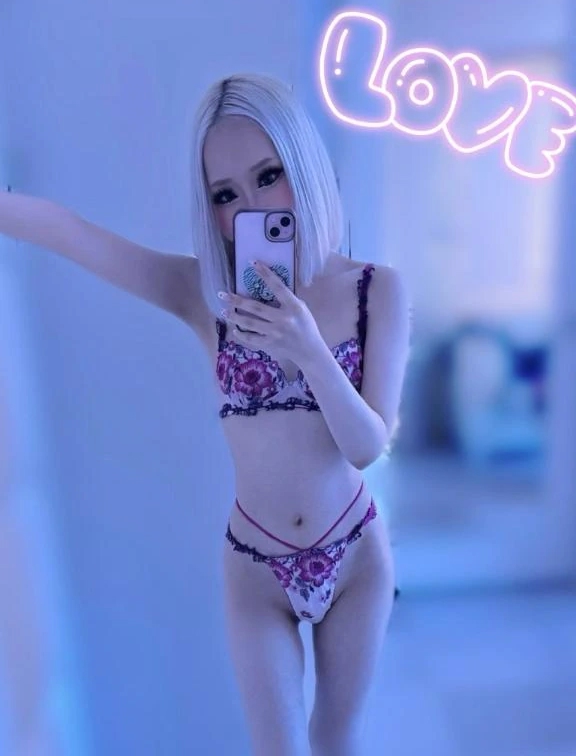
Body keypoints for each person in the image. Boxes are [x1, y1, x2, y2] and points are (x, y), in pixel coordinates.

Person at [0, 73, 411, 756]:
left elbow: (367, 445)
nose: (252, 206)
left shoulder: (375, 291)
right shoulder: (203, 294)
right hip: (255, 566)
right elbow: (75, 235)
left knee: (336, 739)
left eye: (268, 176)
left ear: (303, 165)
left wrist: (309, 348)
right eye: (226, 194)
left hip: (355, 557)